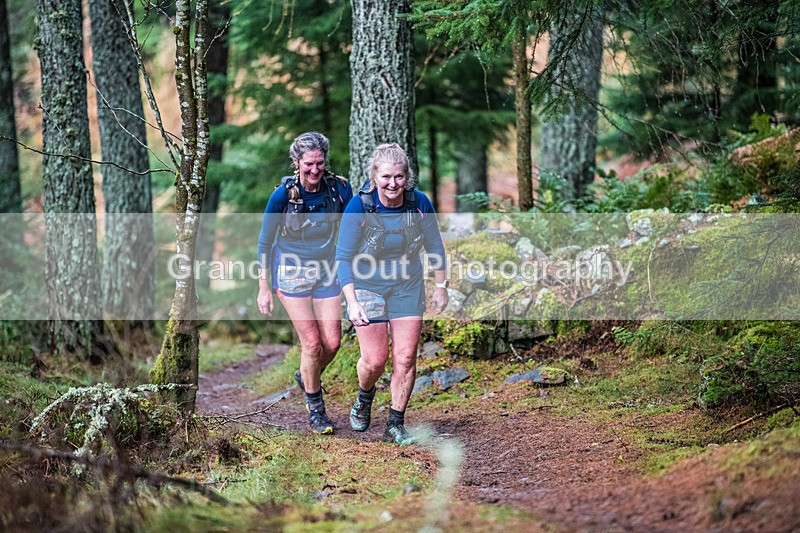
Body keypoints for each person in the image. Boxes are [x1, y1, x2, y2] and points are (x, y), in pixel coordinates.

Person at [336, 143, 448, 445]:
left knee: (406, 357)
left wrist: (441, 287)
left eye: (399, 176)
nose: (393, 183)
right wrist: (352, 302)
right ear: (374, 176)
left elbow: (435, 247)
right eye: (386, 177)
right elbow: (343, 258)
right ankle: (365, 396)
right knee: (375, 360)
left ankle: (395, 424)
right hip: (367, 286)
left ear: (407, 176)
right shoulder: (359, 206)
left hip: (407, 285)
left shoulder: (419, 203)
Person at [257, 132, 353, 434]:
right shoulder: (283, 195)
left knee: (332, 343)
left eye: (319, 163)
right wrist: (263, 287)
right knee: (311, 343)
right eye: (308, 163)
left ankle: (306, 374)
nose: (314, 169)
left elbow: (355, 224)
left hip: (326, 270)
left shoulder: (339, 189)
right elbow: (264, 242)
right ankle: (316, 411)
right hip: (290, 271)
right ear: (297, 162)